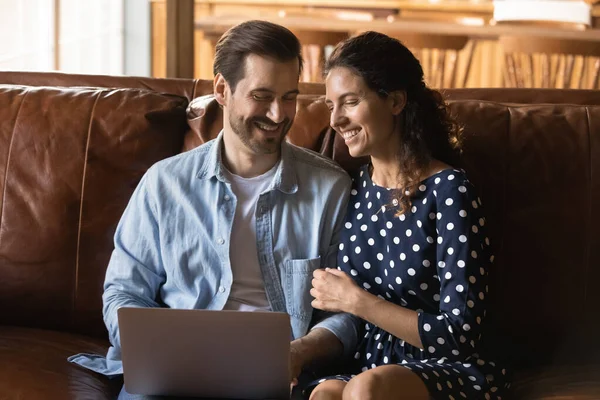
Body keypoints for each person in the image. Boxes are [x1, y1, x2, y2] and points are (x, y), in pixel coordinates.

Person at [68, 20, 358, 399]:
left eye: (289, 96)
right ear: (222, 89)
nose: (278, 114)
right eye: (262, 95)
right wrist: (163, 353)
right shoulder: (164, 184)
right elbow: (124, 292)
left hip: (283, 379)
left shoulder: (330, 189)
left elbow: (349, 313)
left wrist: (297, 352)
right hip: (173, 377)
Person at [306, 31, 510, 399]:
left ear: (396, 101)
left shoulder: (450, 190)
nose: (336, 119)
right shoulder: (351, 188)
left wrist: (357, 301)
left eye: (350, 102)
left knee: (368, 387)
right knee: (327, 393)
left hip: (445, 364)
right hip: (364, 362)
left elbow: (459, 335)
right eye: (330, 105)